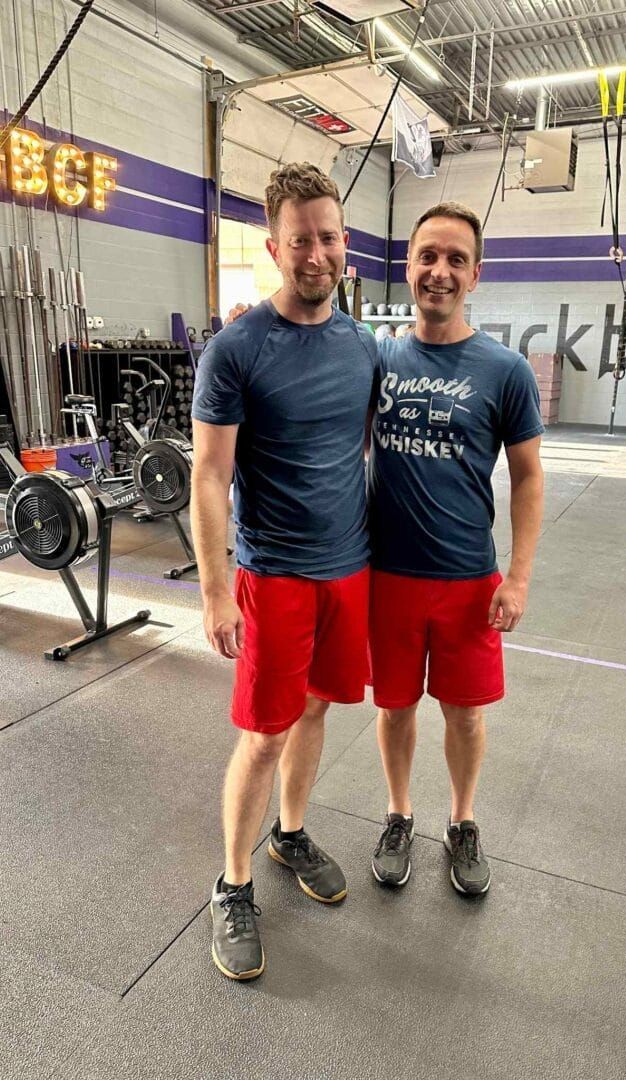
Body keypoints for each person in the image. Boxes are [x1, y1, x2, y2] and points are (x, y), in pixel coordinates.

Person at [191, 162, 378, 981]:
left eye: (328, 238)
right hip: (274, 578)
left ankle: (290, 834)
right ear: (274, 247)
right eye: (300, 240)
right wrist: (214, 590)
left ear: (345, 243)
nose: (316, 253)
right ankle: (231, 886)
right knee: (264, 734)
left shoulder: (362, 347)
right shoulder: (236, 349)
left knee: (316, 709)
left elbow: (357, 450)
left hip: (349, 571)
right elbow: (208, 475)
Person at [367, 201, 545, 896]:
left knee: (465, 713)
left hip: (469, 578)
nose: (439, 271)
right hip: (388, 575)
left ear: (475, 274)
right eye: (428, 256)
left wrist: (518, 579)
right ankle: (398, 813)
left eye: (455, 259)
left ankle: (462, 821)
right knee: (394, 707)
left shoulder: (505, 370)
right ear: (408, 265)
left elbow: (528, 478)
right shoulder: (378, 359)